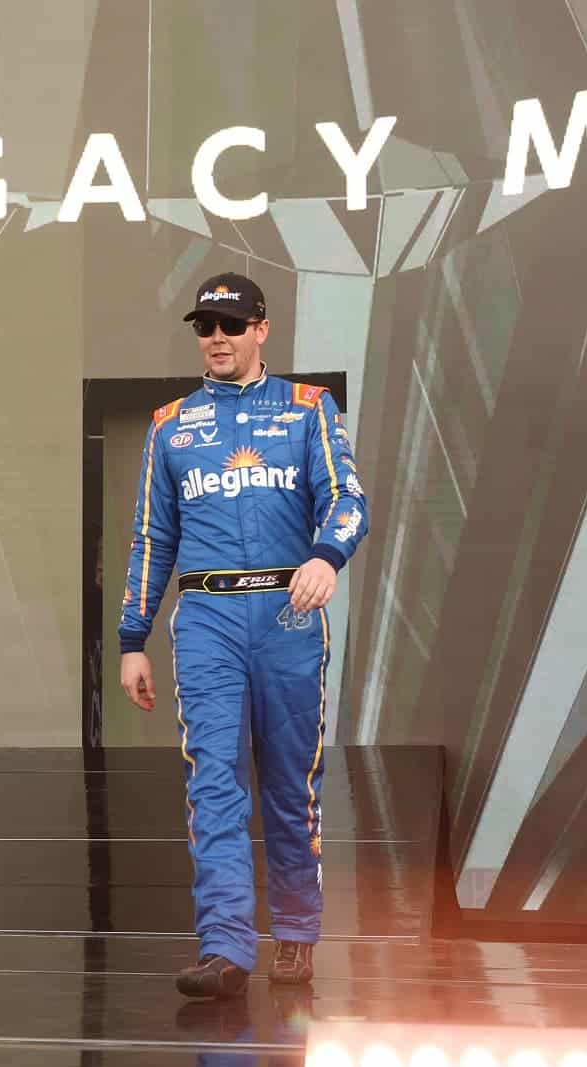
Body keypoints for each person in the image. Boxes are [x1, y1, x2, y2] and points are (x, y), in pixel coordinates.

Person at [117, 273, 367, 998]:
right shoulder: (170, 424)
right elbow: (149, 537)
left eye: (230, 325)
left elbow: (348, 498)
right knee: (214, 781)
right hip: (206, 622)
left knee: (291, 782)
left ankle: (294, 928)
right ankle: (224, 944)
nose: (216, 338)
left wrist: (327, 555)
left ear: (262, 328)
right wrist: (133, 636)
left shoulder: (308, 409)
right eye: (205, 327)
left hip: (290, 617)